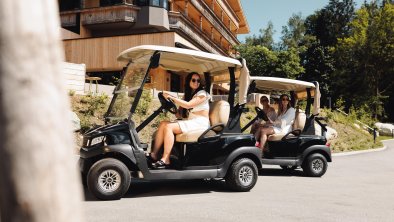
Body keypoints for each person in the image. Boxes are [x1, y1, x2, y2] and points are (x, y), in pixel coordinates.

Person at [149, 72, 210, 169]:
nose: (196, 82)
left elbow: (188, 105)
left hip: (200, 123)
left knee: (169, 127)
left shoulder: (202, 94)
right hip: (191, 121)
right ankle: (154, 155)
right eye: (193, 80)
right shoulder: (189, 95)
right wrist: (174, 109)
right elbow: (181, 114)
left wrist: (171, 97)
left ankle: (165, 159)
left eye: (198, 81)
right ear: (189, 81)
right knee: (163, 123)